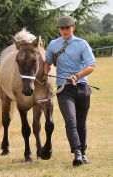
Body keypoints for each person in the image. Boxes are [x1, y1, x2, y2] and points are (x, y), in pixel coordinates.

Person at [43, 15, 95, 166]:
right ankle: (77, 154)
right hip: (63, 89)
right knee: (70, 121)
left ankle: (83, 153)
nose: (65, 30)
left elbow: (91, 65)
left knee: (81, 123)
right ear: (59, 29)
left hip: (81, 87)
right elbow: (47, 62)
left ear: (73, 27)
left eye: (67, 27)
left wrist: (77, 76)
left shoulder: (82, 44)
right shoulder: (53, 45)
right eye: (62, 28)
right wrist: (45, 74)